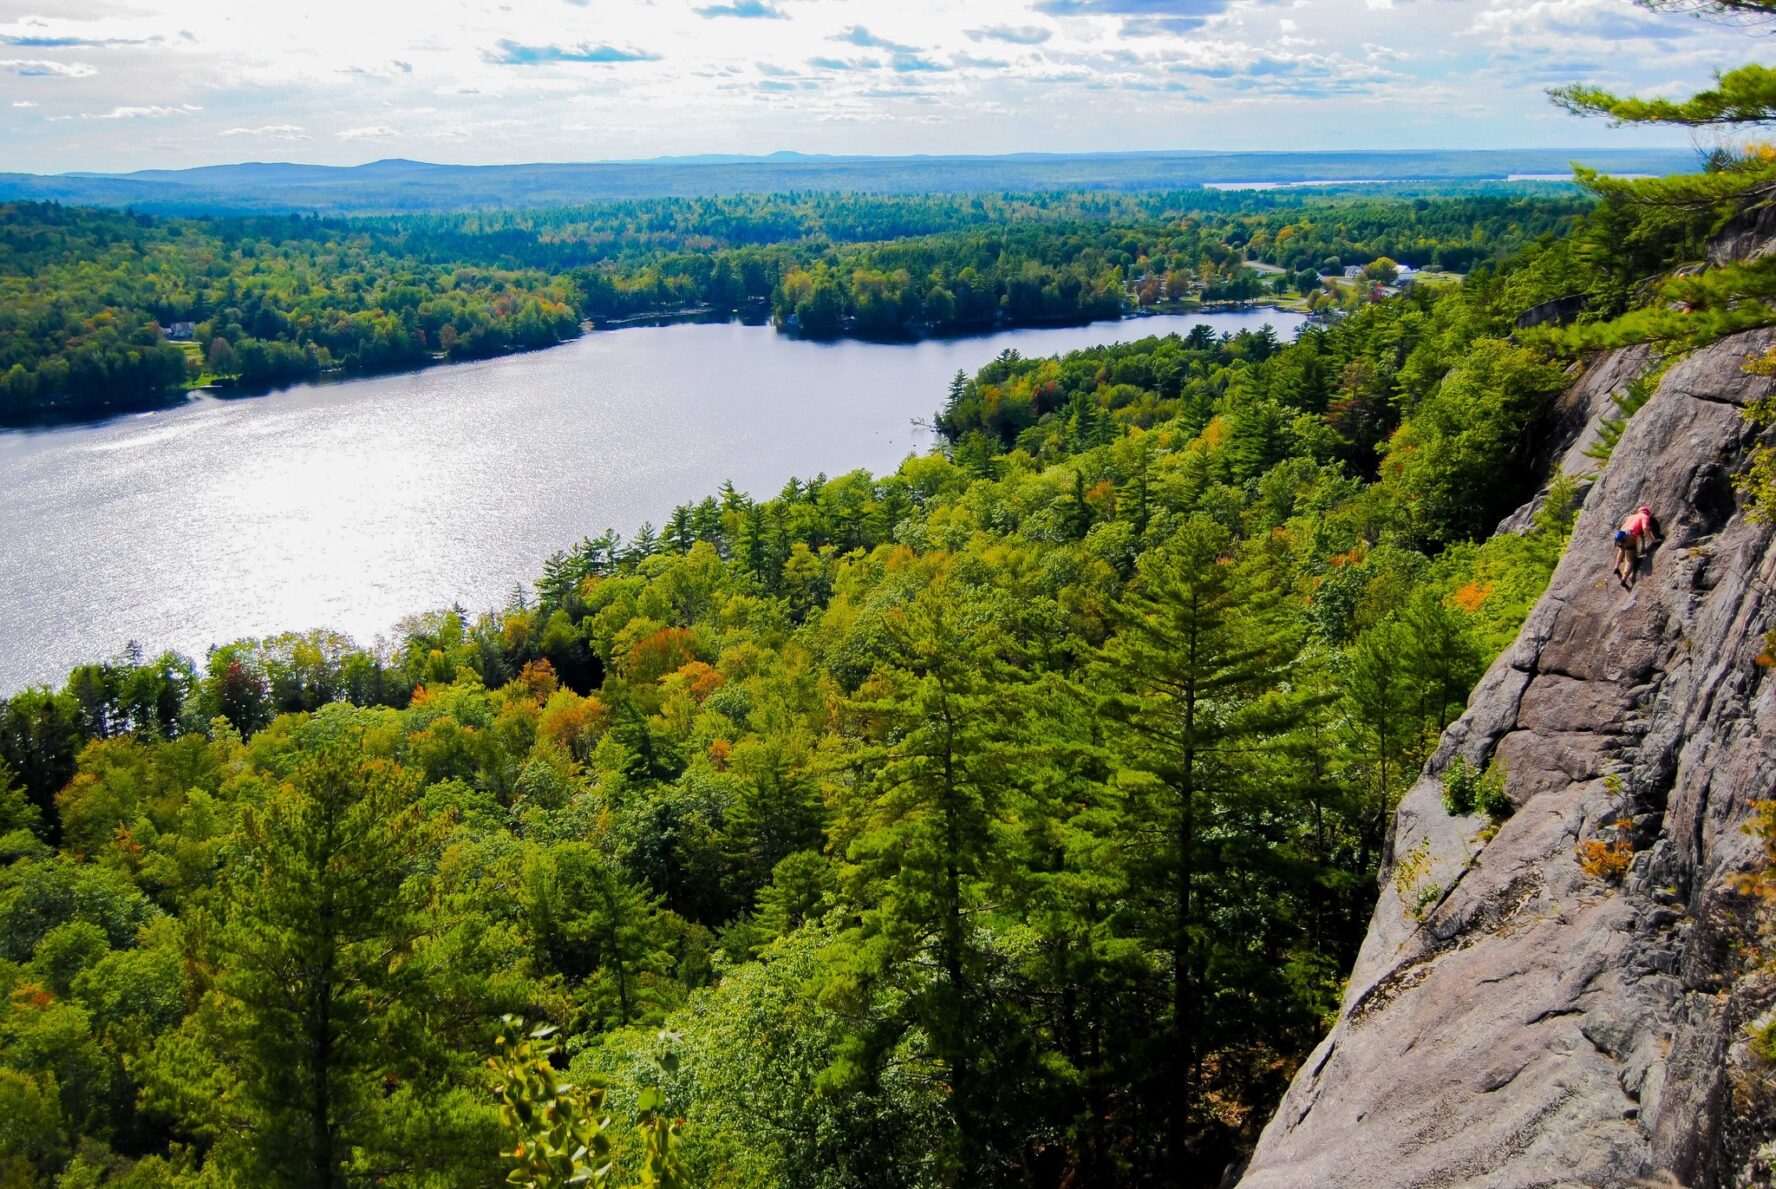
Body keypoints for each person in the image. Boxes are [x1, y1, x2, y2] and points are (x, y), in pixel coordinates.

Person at [1613, 504, 1662, 590]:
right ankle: (1624, 580)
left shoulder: (1631, 517)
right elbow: (1645, 528)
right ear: (1647, 512)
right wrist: (1653, 540)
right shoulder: (1644, 517)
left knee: (1621, 549)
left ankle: (1616, 567)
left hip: (1620, 535)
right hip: (1629, 536)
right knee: (1630, 560)